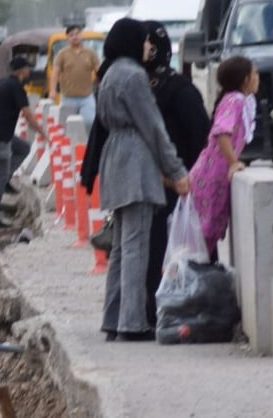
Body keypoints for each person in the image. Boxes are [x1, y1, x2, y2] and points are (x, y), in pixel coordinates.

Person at [95, 18, 189, 342]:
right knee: (136, 246)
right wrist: (176, 171)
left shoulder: (109, 73)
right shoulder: (134, 76)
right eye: (145, 40)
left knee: (122, 248)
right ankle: (133, 323)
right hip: (135, 160)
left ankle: (114, 318)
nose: (150, 46)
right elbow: (153, 128)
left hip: (115, 156)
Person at [140, 21, 212, 327]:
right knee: (155, 254)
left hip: (179, 186)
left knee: (178, 254)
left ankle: (181, 313)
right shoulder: (138, 86)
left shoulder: (178, 91)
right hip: (156, 184)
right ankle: (162, 312)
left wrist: (184, 178)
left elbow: (201, 141)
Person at [189, 56, 259, 262]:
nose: (257, 77)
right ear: (246, 79)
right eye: (254, 73)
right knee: (203, 234)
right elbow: (222, 132)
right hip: (211, 176)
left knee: (204, 236)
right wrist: (233, 162)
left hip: (214, 175)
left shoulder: (238, 100)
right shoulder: (235, 101)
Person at [0, 56, 46, 229]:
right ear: (22, 71)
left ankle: (7, 178)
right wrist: (43, 133)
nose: (29, 72)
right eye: (28, 69)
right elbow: (28, 115)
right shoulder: (16, 88)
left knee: (23, 148)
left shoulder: (0, 82)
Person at [49, 23, 100, 130]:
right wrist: (52, 90)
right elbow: (55, 73)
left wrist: (101, 85)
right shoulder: (62, 54)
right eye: (71, 35)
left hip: (87, 97)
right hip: (68, 97)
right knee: (67, 127)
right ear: (68, 38)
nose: (75, 37)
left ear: (81, 35)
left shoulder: (90, 53)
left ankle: (86, 145)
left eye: (77, 34)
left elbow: (99, 71)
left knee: (89, 122)